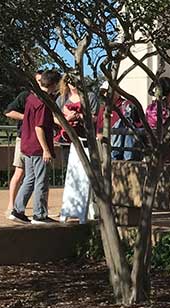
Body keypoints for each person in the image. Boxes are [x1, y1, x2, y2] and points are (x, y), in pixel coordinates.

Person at [10, 70, 62, 224]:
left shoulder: (32, 98)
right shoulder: (43, 102)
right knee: (41, 181)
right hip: (37, 148)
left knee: (30, 179)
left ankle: (18, 210)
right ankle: (39, 214)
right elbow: (39, 127)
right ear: (53, 84)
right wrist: (46, 149)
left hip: (26, 145)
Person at [56, 74, 99, 223]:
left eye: (76, 82)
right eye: (70, 82)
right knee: (71, 174)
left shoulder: (90, 96)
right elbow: (55, 117)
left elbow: (95, 117)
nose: (73, 85)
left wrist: (80, 116)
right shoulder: (61, 98)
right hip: (68, 140)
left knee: (88, 174)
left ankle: (92, 208)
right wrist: (66, 119)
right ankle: (69, 207)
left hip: (86, 140)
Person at [3, 70, 41, 219]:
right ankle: (11, 205)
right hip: (24, 138)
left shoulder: (48, 97)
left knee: (33, 176)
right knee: (20, 171)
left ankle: (23, 208)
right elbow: (8, 111)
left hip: (38, 141)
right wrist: (28, 118)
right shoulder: (25, 96)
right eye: (37, 80)